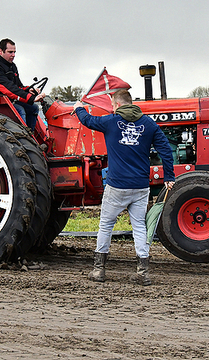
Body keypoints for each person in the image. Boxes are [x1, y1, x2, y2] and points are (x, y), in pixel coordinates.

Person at [73, 89, 175, 285]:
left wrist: (78, 108)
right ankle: (142, 272)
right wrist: (168, 176)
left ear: (118, 105)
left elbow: (88, 121)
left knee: (106, 224)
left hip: (117, 185)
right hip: (140, 186)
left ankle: (99, 270)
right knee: (138, 226)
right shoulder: (149, 124)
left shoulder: (110, 121)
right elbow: (166, 151)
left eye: (112, 104)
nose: (112, 108)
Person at [0, 38, 45, 130]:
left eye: (14, 52)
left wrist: (29, 90)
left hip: (4, 100)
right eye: (10, 52)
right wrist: (31, 98)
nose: (13, 55)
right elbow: (8, 88)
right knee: (19, 110)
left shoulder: (12, 66)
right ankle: (22, 140)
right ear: (1, 51)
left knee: (33, 108)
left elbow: (18, 86)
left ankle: (32, 136)